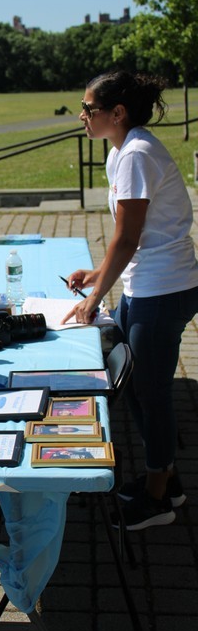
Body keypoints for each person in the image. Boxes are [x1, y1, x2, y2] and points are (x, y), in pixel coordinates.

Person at [62, 70, 198, 531]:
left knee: (150, 392)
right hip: (147, 285)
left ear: (117, 113)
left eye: (89, 108)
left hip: (165, 289)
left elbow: (129, 235)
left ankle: (158, 500)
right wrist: (97, 274)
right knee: (136, 385)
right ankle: (167, 481)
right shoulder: (121, 151)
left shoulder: (137, 153)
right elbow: (129, 237)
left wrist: (96, 294)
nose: (82, 115)